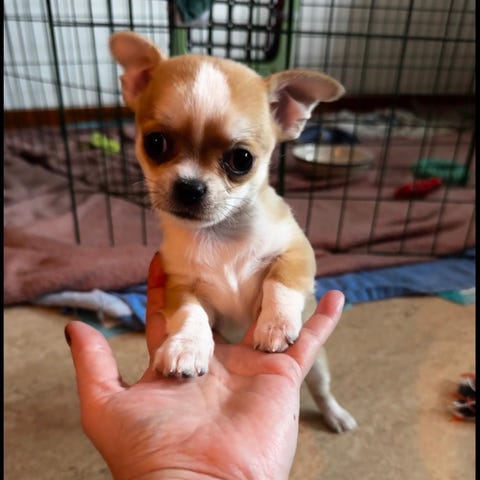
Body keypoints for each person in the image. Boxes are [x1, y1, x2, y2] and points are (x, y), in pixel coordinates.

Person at [65, 253, 346, 480]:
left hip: (277, 342)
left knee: (315, 372)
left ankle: (326, 400)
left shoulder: (275, 248)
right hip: (216, 347)